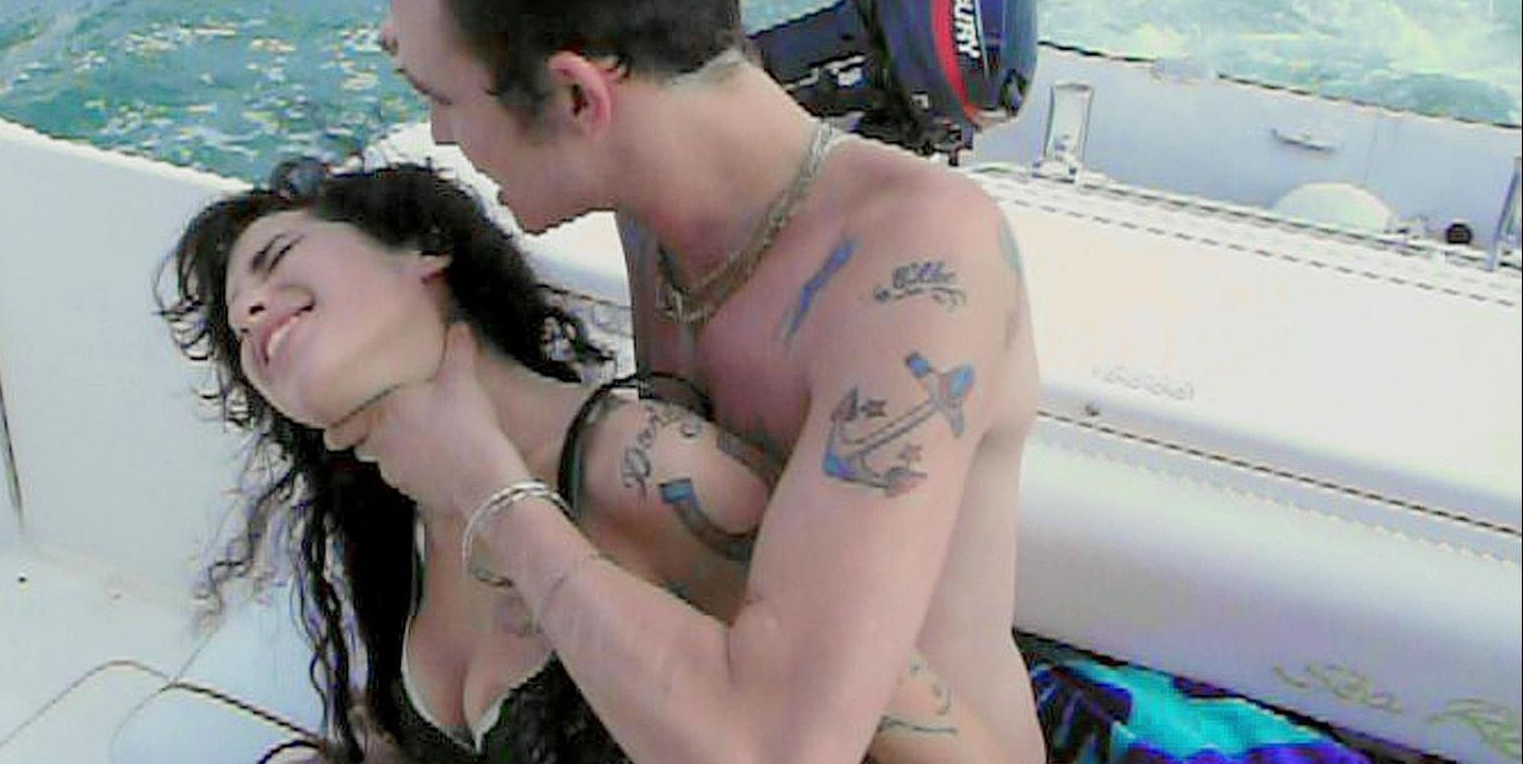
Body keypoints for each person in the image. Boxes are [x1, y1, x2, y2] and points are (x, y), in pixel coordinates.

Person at [344, 0, 1048, 764]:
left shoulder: (915, 267)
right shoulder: (663, 190)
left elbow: (780, 752)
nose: (440, 136)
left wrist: (484, 481)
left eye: (442, 99)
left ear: (578, 95)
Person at [162, 159, 1007, 764]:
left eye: (277, 261)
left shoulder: (651, 473)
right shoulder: (400, 529)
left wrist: (492, 490)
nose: (253, 310)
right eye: (240, 323)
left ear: (422, 249)